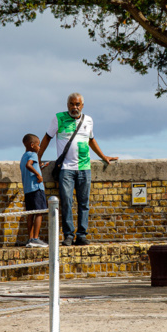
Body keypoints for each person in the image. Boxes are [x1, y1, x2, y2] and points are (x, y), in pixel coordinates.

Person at [38, 93, 118, 246]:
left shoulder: (88, 120)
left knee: (83, 203)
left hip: (84, 167)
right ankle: (68, 235)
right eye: (71, 104)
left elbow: (91, 140)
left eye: (77, 104)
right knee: (67, 202)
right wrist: (38, 158)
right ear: (67, 104)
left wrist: (103, 156)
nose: (74, 107)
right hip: (66, 168)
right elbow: (47, 137)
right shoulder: (58, 118)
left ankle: (81, 235)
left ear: (82, 105)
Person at [21, 134, 48, 247]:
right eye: (38, 145)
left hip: (28, 190)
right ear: (32, 145)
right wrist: (38, 174)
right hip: (36, 188)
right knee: (39, 212)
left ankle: (30, 239)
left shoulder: (24, 156)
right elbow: (29, 165)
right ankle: (36, 239)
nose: (39, 148)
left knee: (30, 214)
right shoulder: (33, 154)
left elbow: (28, 166)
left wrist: (40, 168)